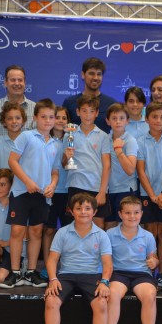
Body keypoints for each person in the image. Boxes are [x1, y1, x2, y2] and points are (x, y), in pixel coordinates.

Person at [41, 193, 113, 324]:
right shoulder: (62, 232)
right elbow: (52, 260)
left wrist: (105, 281)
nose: (83, 212)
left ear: (94, 211)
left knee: (102, 303)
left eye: (88, 208)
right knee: (51, 301)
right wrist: (53, 279)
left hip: (92, 276)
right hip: (66, 276)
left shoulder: (101, 235)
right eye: (79, 208)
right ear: (71, 211)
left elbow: (107, 263)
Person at [4, 98, 60, 289]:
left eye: (51, 117)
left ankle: (31, 272)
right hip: (21, 191)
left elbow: (55, 171)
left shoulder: (55, 144)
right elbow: (12, 161)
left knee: (36, 231)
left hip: (42, 195)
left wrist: (52, 185)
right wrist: (27, 181)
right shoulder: (26, 136)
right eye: (43, 116)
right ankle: (15, 272)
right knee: (17, 231)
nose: (47, 120)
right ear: (35, 117)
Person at [105, 196, 159, 324]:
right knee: (112, 294)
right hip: (119, 273)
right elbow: (106, 260)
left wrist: (154, 263)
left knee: (150, 295)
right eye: (127, 213)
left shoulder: (148, 236)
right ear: (120, 214)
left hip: (141, 273)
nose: (132, 216)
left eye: (136, 213)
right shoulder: (110, 234)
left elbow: (153, 258)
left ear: (141, 214)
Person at [136, 102, 162, 280]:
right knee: (150, 233)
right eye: (154, 117)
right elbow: (141, 171)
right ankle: (147, 271)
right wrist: (153, 195)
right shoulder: (140, 140)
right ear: (147, 119)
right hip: (148, 194)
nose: (158, 120)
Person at [62, 94, 111, 228]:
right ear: (78, 112)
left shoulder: (103, 136)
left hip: (96, 187)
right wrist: (67, 156)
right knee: (75, 225)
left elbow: (107, 166)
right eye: (84, 111)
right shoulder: (69, 134)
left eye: (91, 111)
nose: (87, 115)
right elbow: (64, 164)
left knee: (98, 225)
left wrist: (102, 192)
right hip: (76, 185)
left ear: (96, 113)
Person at [42, 106, 73, 279]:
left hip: (68, 191)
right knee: (49, 230)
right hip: (50, 191)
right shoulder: (45, 139)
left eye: (64, 118)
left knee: (69, 231)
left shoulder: (72, 139)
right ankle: (48, 266)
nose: (61, 121)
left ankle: (68, 265)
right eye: (57, 117)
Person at [105, 103, 138, 230]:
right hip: (109, 190)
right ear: (108, 121)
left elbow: (130, 170)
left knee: (125, 227)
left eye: (121, 118)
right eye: (114, 118)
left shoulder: (130, 141)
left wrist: (119, 150)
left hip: (126, 190)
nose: (118, 122)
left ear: (127, 121)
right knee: (109, 227)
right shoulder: (105, 139)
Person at [62, 57, 117, 133]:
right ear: (83, 75)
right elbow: (62, 130)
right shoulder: (69, 102)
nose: (95, 78)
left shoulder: (111, 104)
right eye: (91, 73)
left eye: (99, 74)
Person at [0, 65, 37, 136]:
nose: (17, 83)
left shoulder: (35, 108)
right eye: (13, 80)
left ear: (25, 82)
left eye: (20, 80)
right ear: (5, 82)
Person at [0, 101, 26, 171]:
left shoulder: (28, 141)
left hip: (23, 181)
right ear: (4, 122)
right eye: (9, 118)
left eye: (18, 118)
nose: (14, 121)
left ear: (23, 121)